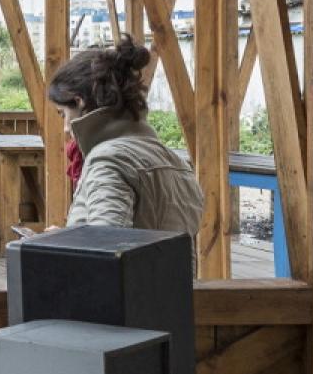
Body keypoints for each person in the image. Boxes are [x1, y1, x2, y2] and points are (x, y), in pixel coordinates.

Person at [48, 37, 205, 241]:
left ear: (80, 101)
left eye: (63, 114)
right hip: (173, 274)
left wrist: (60, 244)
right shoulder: (176, 162)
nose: (66, 127)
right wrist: (67, 237)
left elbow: (105, 248)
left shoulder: (108, 161)